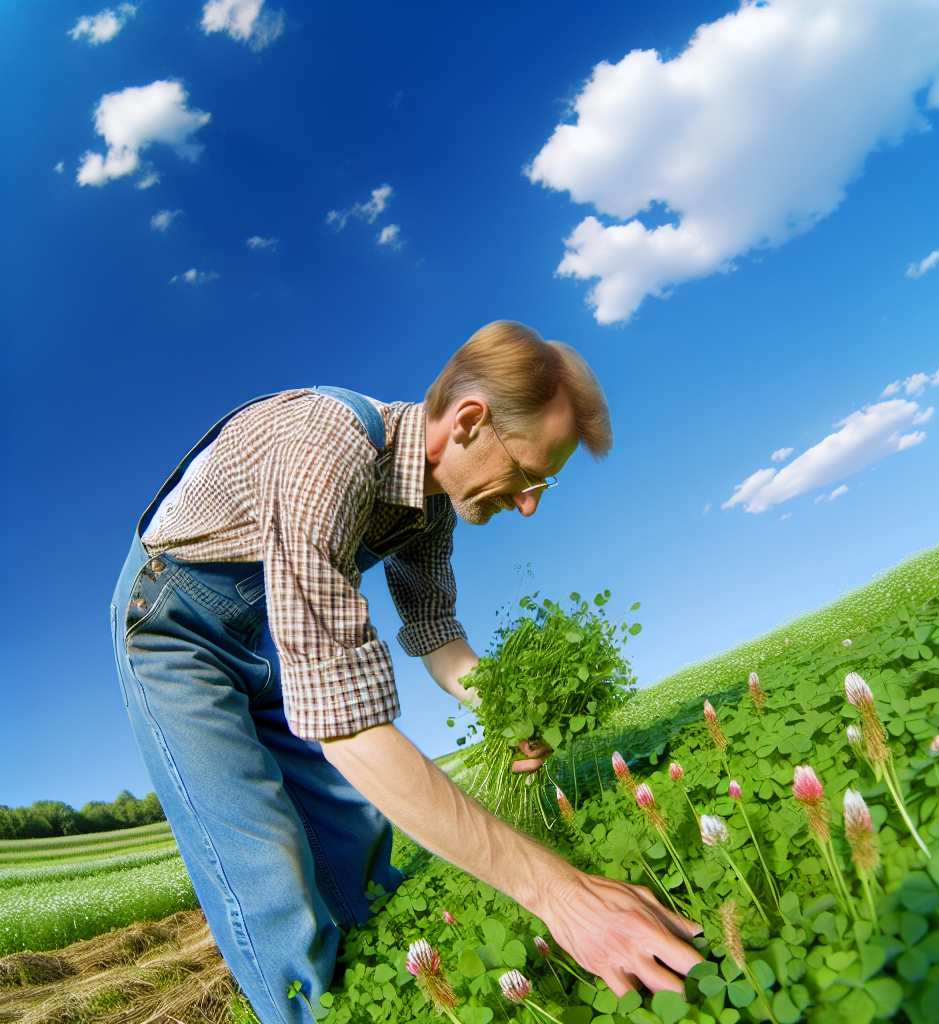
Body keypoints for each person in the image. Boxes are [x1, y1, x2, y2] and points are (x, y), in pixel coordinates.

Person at [110, 321, 701, 1024]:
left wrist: (501, 712)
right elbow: (349, 730)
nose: (530, 502)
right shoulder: (324, 451)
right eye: (530, 473)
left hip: (269, 626)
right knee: (267, 871)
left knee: (354, 842)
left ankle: (399, 998)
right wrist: (557, 893)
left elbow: (436, 634)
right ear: (471, 422)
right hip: (173, 626)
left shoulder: (428, 510)